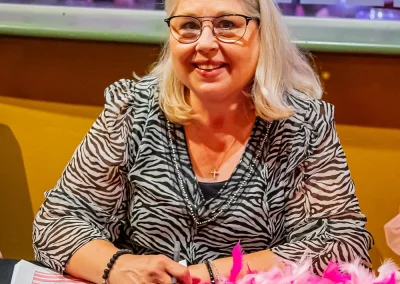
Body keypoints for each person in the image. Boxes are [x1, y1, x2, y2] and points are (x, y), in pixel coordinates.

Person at [32, 0, 374, 283]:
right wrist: (119, 268)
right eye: (189, 26)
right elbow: (57, 222)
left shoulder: (303, 124)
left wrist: (203, 275)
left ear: (262, 34)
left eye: (227, 24)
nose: (205, 43)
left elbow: (343, 243)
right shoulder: (132, 109)